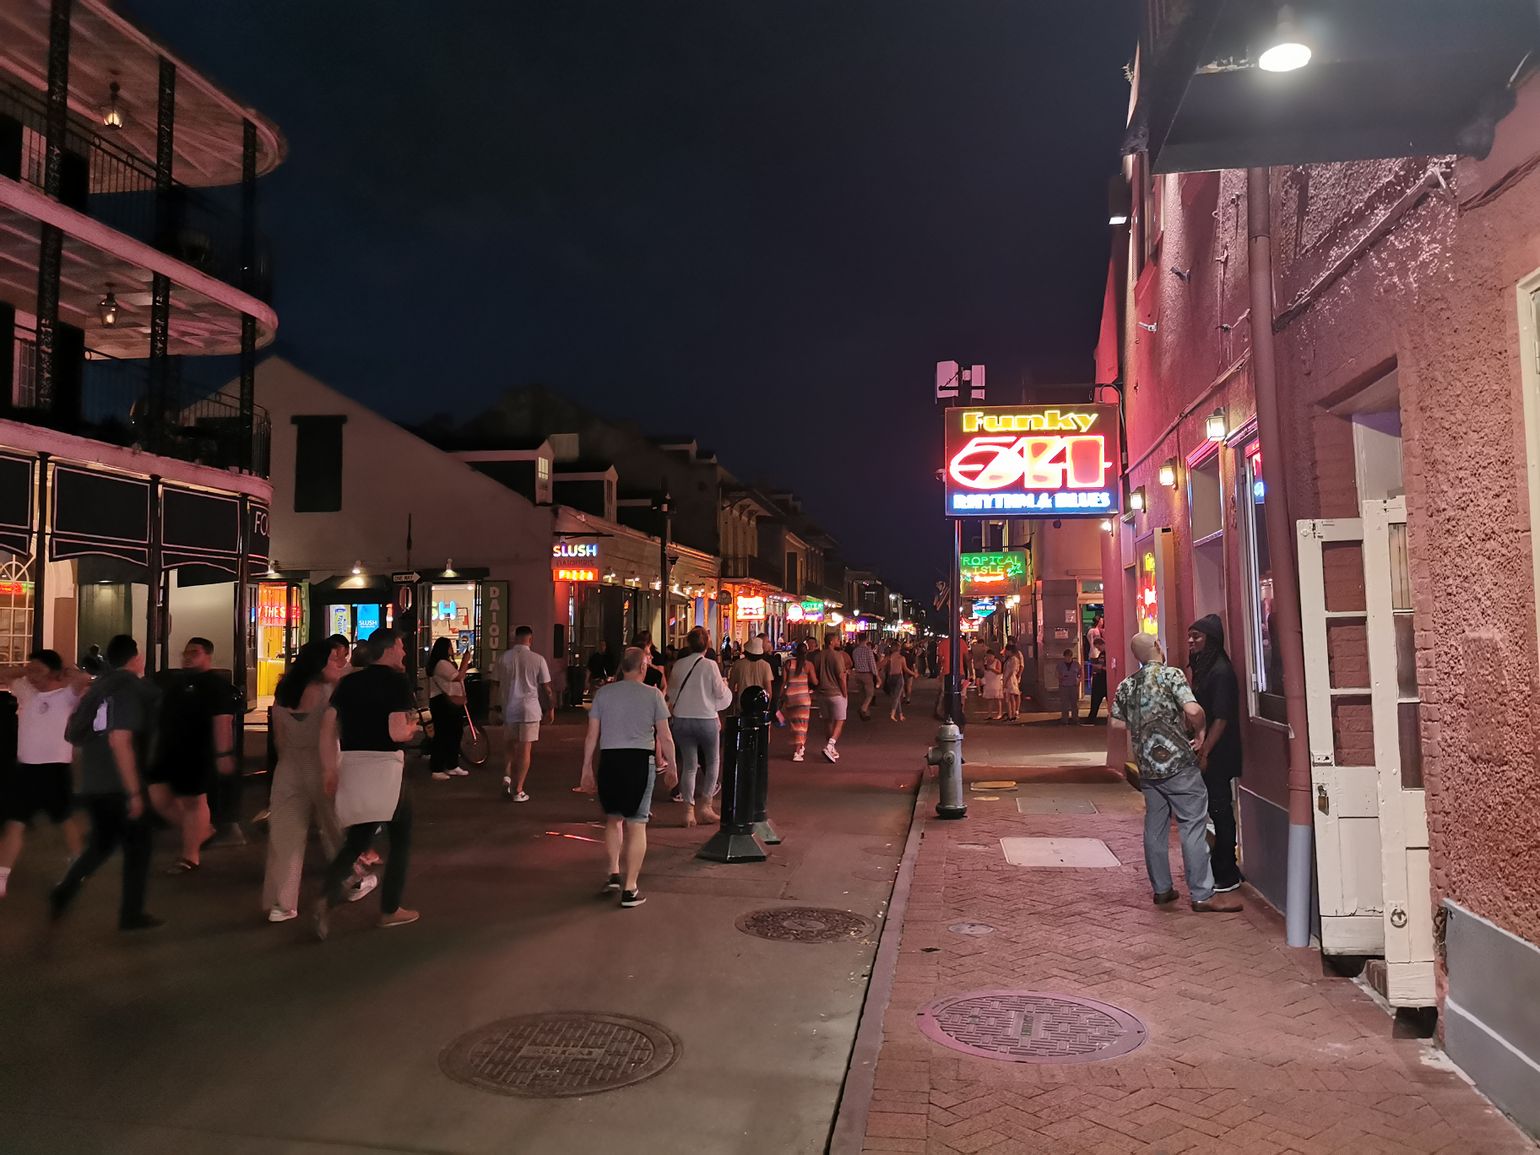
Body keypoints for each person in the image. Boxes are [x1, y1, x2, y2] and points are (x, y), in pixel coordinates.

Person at [1111, 633, 1241, 913]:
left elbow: (1116, 723)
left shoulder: (1127, 685)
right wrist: (1200, 729)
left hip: (1147, 767)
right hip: (1178, 764)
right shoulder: (1171, 676)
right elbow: (1193, 709)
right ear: (1158, 646)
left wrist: (1144, 728)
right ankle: (1202, 894)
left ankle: (1162, 889)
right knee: (1192, 826)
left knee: (1154, 828)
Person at [314, 627, 420, 939]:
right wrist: (412, 728)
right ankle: (390, 909)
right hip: (386, 769)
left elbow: (327, 725)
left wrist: (329, 770)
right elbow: (396, 732)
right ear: (388, 649)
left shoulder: (348, 682)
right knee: (401, 839)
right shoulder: (397, 683)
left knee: (357, 839)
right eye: (401, 646)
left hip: (353, 766)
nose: (403, 652)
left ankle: (326, 897)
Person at [51, 635, 162, 931]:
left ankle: (65, 889)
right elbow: (120, 739)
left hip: (93, 780)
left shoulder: (98, 687)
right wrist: (135, 792)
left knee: (101, 844)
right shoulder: (129, 688)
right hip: (119, 783)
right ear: (136, 658)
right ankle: (131, 913)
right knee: (138, 848)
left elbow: (73, 733)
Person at [262, 640, 378, 922]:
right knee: (335, 829)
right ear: (319, 664)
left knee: (285, 835)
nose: (339, 665)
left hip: (288, 768)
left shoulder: (283, 694)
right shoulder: (330, 693)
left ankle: (282, 903)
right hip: (324, 767)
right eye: (334, 660)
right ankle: (353, 880)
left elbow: (279, 739)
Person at [582, 647, 676, 908]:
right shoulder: (653, 695)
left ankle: (613, 873)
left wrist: (586, 768)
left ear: (622, 667)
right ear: (643, 668)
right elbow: (665, 736)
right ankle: (630, 888)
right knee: (637, 823)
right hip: (639, 761)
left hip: (610, 759)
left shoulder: (604, 694)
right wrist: (672, 767)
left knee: (613, 819)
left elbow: (592, 735)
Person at [147, 638, 238, 873]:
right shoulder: (176, 683)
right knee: (158, 796)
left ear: (207, 655)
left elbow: (223, 721)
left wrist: (224, 753)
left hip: (198, 751)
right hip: (169, 750)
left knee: (194, 801)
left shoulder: (216, 686)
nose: (187, 656)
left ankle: (190, 856)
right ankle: (203, 831)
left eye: (194, 652)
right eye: (185, 652)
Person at [0, 650, 85, 898]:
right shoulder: (27, 691)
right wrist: (26, 671)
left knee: (65, 819)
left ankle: (78, 866)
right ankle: (2, 877)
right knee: (15, 824)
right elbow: (4, 674)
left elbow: (82, 679)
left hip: (55, 768)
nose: (33, 675)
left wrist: (64, 670)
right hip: (26, 768)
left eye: (38, 670)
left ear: (53, 671)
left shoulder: (67, 694)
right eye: (31, 670)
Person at [1188, 615, 1245, 893]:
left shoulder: (1221, 672)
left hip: (1219, 750)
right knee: (1215, 807)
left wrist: (1206, 750)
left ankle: (1227, 869)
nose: (1191, 641)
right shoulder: (1204, 667)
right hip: (1208, 746)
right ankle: (1222, 863)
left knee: (1221, 809)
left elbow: (1221, 717)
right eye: (1190, 636)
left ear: (1211, 640)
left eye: (1197, 637)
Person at [666, 627, 732, 828]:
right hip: (706, 719)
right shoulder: (710, 665)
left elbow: (672, 692)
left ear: (688, 643)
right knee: (712, 762)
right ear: (707, 644)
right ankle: (706, 807)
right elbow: (720, 692)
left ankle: (688, 811)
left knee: (689, 765)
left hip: (682, 719)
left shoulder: (678, 665)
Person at [498, 625, 552, 803]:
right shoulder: (538, 659)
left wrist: (493, 708)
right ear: (530, 639)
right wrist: (550, 708)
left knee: (509, 745)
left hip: (509, 708)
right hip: (530, 710)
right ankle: (518, 789)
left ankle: (507, 775)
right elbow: (546, 688)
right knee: (525, 749)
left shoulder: (504, 658)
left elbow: (494, 684)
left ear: (515, 638)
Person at [426, 637, 471, 781]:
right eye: (450, 646)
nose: (452, 649)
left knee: (454, 732)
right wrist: (465, 661)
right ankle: (437, 767)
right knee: (444, 733)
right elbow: (458, 677)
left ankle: (451, 764)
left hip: (447, 701)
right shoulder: (441, 663)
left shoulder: (443, 663)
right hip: (443, 702)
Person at [812, 633, 851, 762]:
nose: (839, 641)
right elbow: (841, 676)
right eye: (837, 640)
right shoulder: (837, 656)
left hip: (822, 693)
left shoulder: (818, 656)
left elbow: (815, 675)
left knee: (827, 720)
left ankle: (831, 748)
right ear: (831, 642)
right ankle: (830, 745)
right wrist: (845, 693)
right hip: (836, 692)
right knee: (840, 720)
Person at [781, 641, 819, 761]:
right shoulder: (808, 665)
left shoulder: (788, 664)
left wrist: (781, 696)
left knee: (794, 724)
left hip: (790, 697)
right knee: (802, 724)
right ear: (806, 652)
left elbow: (784, 682)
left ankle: (800, 746)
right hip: (803, 698)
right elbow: (815, 681)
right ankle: (797, 751)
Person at [728, 636, 775, 716]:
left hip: (742, 705)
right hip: (759, 705)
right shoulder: (765, 665)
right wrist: (767, 707)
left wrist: (731, 707)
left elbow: (731, 687)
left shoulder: (738, 664)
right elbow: (769, 691)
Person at [848, 634, 881, 721]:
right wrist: (877, 677)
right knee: (870, 694)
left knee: (862, 694)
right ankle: (863, 709)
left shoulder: (855, 651)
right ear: (866, 639)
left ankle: (866, 713)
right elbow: (872, 664)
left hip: (858, 673)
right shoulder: (868, 650)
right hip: (867, 674)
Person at [881, 644, 916, 722]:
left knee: (896, 696)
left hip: (890, 678)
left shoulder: (889, 657)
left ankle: (900, 715)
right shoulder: (901, 658)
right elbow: (905, 669)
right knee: (897, 697)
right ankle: (892, 713)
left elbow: (881, 665)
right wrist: (914, 674)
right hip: (898, 677)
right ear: (899, 649)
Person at [1056, 648, 1082, 724]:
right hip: (1064, 686)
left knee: (1074, 704)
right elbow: (1056, 673)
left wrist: (1079, 680)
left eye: (1068, 657)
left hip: (1073, 686)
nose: (1067, 658)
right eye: (1066, 657)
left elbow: (1081, 672)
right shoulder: (1060, 665)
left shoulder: (1076, 665)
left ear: (1071, 657)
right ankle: (1064, 720)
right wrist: (1060, 677)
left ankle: (1075, 719)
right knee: (1064, 704)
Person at [1085, 639, 1109, 723]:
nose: (1098, 649)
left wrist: (1100, 667)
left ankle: (1092, 719)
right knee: (1096, 700)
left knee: (1097, 700)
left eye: (1098, 647)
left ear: (1101, 644)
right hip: (1100, 680)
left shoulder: (1107, 653)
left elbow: (1107, 667)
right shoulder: (1102, 654)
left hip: (1103, 680)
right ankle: (1091, 718)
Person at [1001, 643, 1023, 722]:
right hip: (1009, 678)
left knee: (1010, 697)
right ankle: (1011, 714)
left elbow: (1011, 671)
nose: (1005, 652)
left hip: (1010, 679)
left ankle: (1012, 714)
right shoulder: (1009, 659)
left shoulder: (1014, 659)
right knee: (1010, 697)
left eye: (1006, 650)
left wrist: (1006, 681)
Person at [982, 648, 1004, 720]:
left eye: (990, 656)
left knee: (997, 698)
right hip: (988, 682)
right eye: (987, 656)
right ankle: (989, 714)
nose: (988, 657)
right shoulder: (986, 662)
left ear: (993, 656)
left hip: (995, 681)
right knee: (990, 699)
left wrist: (991, 669)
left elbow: (999, 671)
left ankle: (999, 713)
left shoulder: (997, 662)